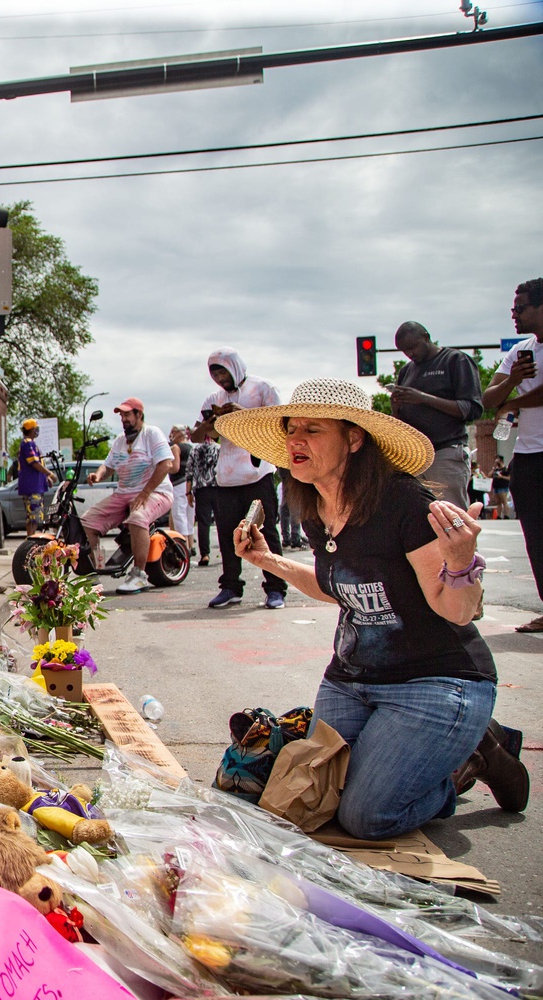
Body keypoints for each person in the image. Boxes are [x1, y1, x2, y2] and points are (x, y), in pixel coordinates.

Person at [219, 378, 527, 839]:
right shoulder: (315, 506)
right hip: (350, 682)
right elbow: (335, 589)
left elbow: (456, 611)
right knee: (317, 797)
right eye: (290, 428)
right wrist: (264, 559)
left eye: (313, 429)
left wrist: (461, 563)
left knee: (366, 816)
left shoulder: (403, 502)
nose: (295, 439)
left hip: (437, 680)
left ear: (354, 438)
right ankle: (438, 755)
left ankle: (468, 761)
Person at [190, 348, 287, 609]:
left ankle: (276, 588)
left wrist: (242, 413)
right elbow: (197, 439)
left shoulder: (263, 388)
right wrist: (208, 423)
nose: (221, 379)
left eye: (223, 372)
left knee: (266, 533)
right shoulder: (214, 397)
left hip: (258, 474)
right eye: (215, 374)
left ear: (236, 367)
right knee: (227, 536)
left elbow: (280, 426)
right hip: (227, 478)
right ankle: (231, 587)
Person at [483, 279, 543, 632]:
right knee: (536, 536)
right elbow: (489, 399)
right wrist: (512, 381)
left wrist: (513, 401)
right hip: (529, 455)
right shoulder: (519, 351)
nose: (514, 315)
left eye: (520, 308)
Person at [81, 397, 175, 594]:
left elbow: (166, 464)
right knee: (87, 522)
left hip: (155, 491)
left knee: (138, 517)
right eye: (121, 415)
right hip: (124, 493)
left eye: (127, 414)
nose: (123, 419)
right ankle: (93, 571)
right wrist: (98, 475)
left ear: (139, 415)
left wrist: (145, 493)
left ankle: (139, 575)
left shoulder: (151, 434)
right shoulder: (119, 441)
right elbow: (108, 466)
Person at [389, 321, 483, 506]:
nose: (410, 354)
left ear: (426, 337)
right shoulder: (407, 371)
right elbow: (400, 420)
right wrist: (396, 406)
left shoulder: (455, 360)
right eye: (404, 351)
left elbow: (471, 409)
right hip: (415, 456)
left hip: (445, 452)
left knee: (452, 519)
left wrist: (424, 398)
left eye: (412, 347)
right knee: (421, 521)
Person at [16, 419, 55, 537]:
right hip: (31, 485)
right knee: (33, 516)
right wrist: (49, 474)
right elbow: (34, 463)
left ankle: (32, 538)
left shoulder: (30, 443)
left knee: (36, 516)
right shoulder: (28, 443)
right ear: (31, 430)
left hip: (36, 484)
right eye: (35, 428)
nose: (37, 431)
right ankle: (30, 539)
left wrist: (44, 478)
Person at [188, 431, 220, 567]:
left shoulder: (194, 449)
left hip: (201, 490)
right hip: (219, 487)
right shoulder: (218, 449)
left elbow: (189, 472)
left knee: (203, 523)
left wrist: (188, 492)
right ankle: (226, 551)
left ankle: (205, 554)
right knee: (222, 521)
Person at [167, 425, 193, 541]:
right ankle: (190, 545)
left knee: (179, 516)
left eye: (173, 432)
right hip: (190, 484)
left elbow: (175, 468)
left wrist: (165, 467)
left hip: (178, 484)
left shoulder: (176, 448)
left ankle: (182, 545)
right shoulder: (191, 447)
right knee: (189, 516)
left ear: (178, 433)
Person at [279, 470, 306, 550]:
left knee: (285, 502)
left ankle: (286, 538)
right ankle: (295, 539)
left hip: (283, 469)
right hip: (291, 469)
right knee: (294, 502)